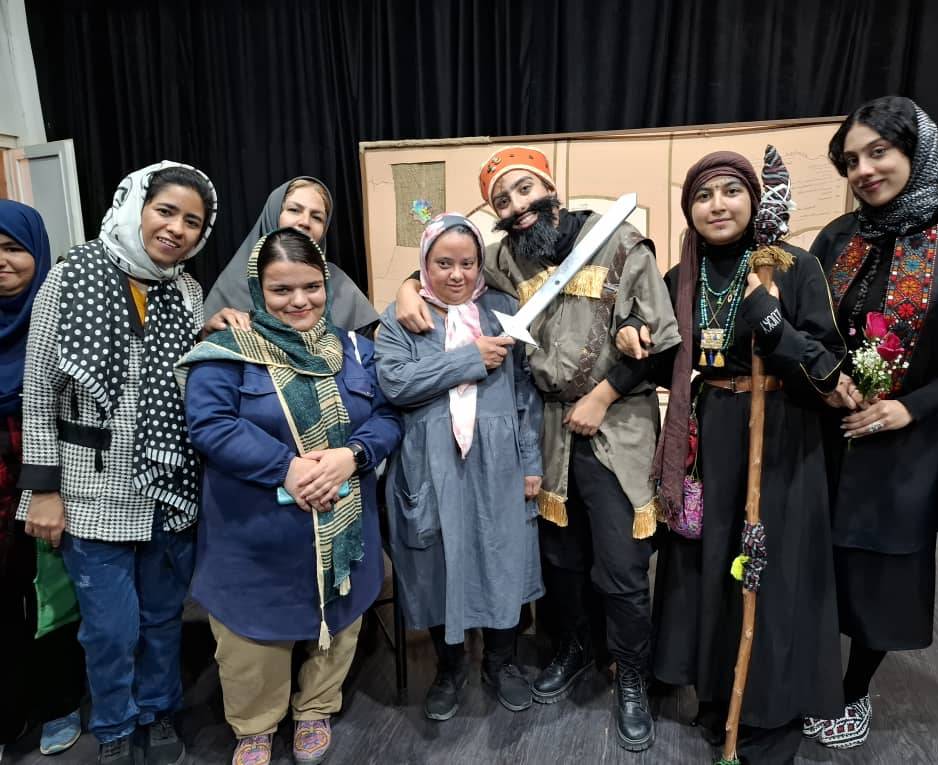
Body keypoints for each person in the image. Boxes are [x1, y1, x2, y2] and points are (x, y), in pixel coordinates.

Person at [395, 147, 680, 752]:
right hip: (547, 424)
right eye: (502, 200)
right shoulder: (506, 257)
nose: (517, 206)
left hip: (614, 420)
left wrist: (603, 395)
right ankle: (575, 649)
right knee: (562, 559)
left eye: (524, 190)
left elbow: (662, 343)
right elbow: (454, 268)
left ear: (550, 186)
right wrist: (407, 287)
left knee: (622, 563)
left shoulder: (621, 242)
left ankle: (631, 677)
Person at [617, 150, 846, 764]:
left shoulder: (791, 266)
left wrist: (774, 324)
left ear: (753, 198)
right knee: (713, 563)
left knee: (771, 567)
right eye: (702, 196)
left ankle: (771, 714)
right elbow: (663, 358)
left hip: (781, 432)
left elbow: (828, 368)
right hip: (710, 431)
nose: (717, 205)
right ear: (688, 209)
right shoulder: (680, 276)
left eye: (730, 191)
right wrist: (632, 332)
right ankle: (721, 695)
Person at [806, 96, 938, 749]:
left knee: (883, 571)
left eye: (879, 152)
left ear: (917, 150)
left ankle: (855, 687)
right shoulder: (838, 238)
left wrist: (907, 406)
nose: (864, 170)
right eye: (851, 160)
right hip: (827, 436)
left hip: (907, 447)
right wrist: (827, 378)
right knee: (816, 561)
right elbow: (811, 329)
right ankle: (808, 670)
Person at [17, 162, 218, 765]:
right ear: (135, 206)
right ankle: (113, 727)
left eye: (192, 222)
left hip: (168, 484)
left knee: (163, 617)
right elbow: (39, 391)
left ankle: (159, 711)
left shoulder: (186, 290)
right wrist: (43, 491)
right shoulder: (71, 274)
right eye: (166, 211)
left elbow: (186, 376)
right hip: (91, 489)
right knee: (109, 628)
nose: (176, 229)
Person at [178, 228, 402, 765]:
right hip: (254, 534)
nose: (299, 301)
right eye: (281, 290)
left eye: (311, 287)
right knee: (250, 641)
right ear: (257, 291)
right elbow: (210, 424)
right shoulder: (226, 352)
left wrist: (353, 455)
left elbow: (388, 416)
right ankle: (254, 725)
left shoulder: (355, 350)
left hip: (344, 525)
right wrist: (287, 467)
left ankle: (316, 707)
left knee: (339, 621)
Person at [376, 213, 544, 720]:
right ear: (424, 265)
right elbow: (396, 383)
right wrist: (469, 358)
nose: (456, 274)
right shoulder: (402, 317)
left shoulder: (504, 311)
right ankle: (448, 669)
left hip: (499, 460)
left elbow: (525, 393)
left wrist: (531, 460)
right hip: (431, 462)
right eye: (443, 263)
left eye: (467, 263)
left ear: (479, 264)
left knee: (501, 556)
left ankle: (500, 662)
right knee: (437, 562)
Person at [0, 200, 86, 758]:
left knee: (52, 596)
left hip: (50, 479)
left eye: (13, 248)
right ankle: (9, 711)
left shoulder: (60, 321)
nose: (2, 261)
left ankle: (60, 701)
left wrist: (46, 488)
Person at [203, 176, 378, 335]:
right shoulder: (232, 283)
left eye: (317, 217)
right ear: (273, 213)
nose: (305, 222)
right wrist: (207, 333)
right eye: (294, 210)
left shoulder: (340, 284)